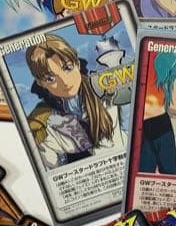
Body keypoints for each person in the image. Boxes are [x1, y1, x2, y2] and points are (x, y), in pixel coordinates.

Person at [25, 35, 125, 170]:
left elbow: (112, 145)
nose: (65, 82)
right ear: (40, 83)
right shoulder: (40, 121)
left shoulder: (102, 92)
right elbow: (52, 166)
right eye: (50, 79)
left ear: (77, 64)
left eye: (67, 68)